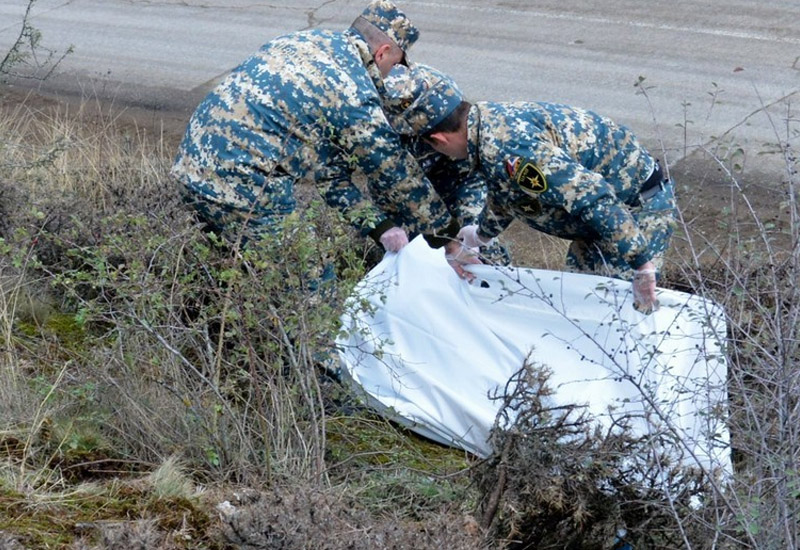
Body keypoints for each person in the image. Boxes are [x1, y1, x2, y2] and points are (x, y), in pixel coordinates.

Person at [170, 0, 459, 254]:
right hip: (244, 189)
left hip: (189, 171)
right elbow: (393, 169)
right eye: (397, 63)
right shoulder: (352, 87)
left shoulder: (301, 41)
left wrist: (379, 226)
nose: (391, 74)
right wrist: (447, 238)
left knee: (236, 265)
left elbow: (329, 175)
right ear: (382, 52)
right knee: (310, 284)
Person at [393, 71, 676, 314]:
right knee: (583, 307)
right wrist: (480, 235)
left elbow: (594, 196)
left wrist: (641, 264)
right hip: (598, 223)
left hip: (633, 215)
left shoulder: (510, 148)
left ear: (439, 139)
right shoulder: (484, 124)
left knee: (623, 316)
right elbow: (510, 194)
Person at [381, 63, 512, 265]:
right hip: (404, 196)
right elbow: (394, 184)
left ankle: (503, 285)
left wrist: (471, 234)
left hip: (460, 178)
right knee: (401, 255)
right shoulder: (380, 131)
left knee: (477, 245)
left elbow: (473, 175)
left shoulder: (439, 91)